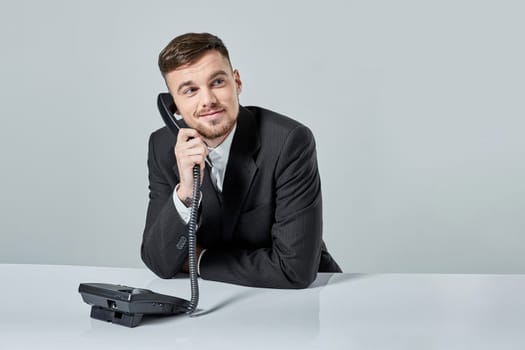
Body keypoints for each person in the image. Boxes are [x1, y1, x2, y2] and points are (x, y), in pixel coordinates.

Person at [141, 32, 341, 289]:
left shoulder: (289, 142)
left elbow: (295, 269)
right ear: (173, 106)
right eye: (190, 90)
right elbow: (159, 262)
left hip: (305, 301)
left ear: (237, 82)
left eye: (217, 82)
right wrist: (186, 193)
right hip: (220, 303)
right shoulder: (162, 147)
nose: (208, 100)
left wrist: (200, 260)